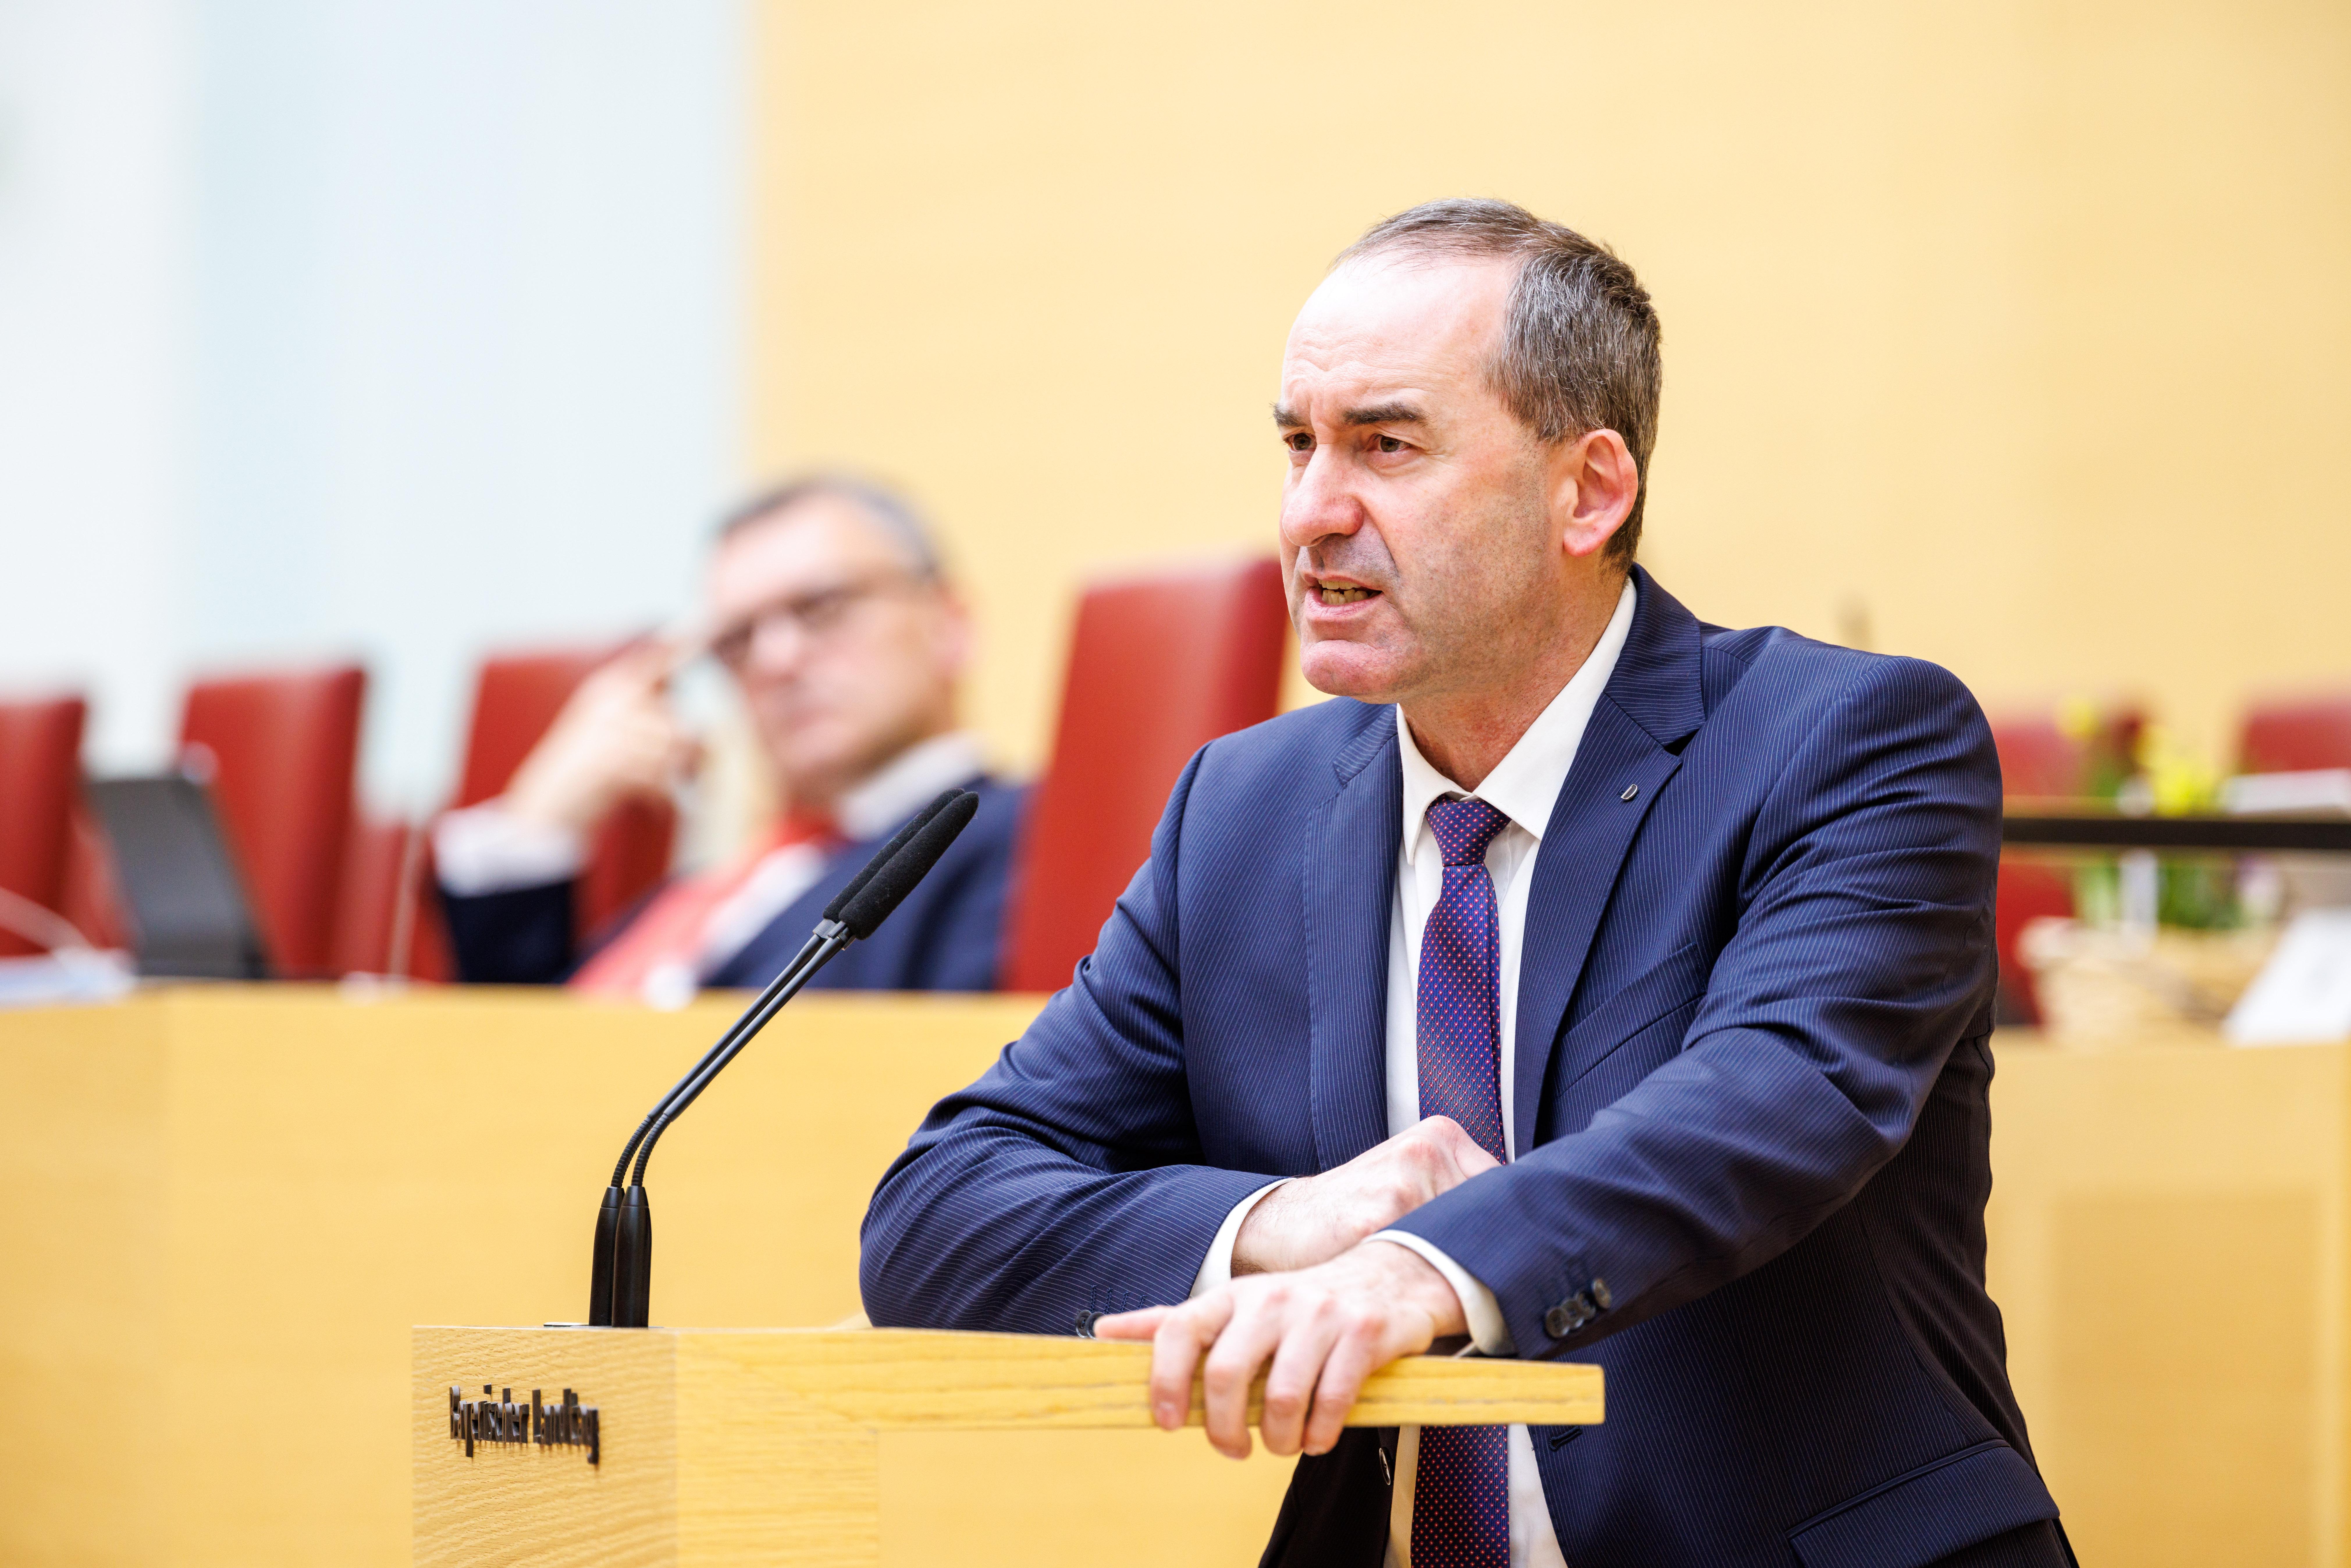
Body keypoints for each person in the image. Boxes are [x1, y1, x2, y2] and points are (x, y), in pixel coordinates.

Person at [860, 201, 2069, 1567]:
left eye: (1386, 446)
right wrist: (1293, 1221)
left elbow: (1769, 1100)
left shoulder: (1844, 743)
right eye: (1296, 446)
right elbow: (938, 1211)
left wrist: (1422, 1269)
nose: (1313, 513)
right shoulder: (1243, 813)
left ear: (1589, 491)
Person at [436, 476, 1024, 999]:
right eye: (737, 638)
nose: (775, 659)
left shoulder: (1022, 839)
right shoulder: (720, 880)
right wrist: (542, 820)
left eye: (823, 606)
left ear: (950, 623)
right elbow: (517, 1053)